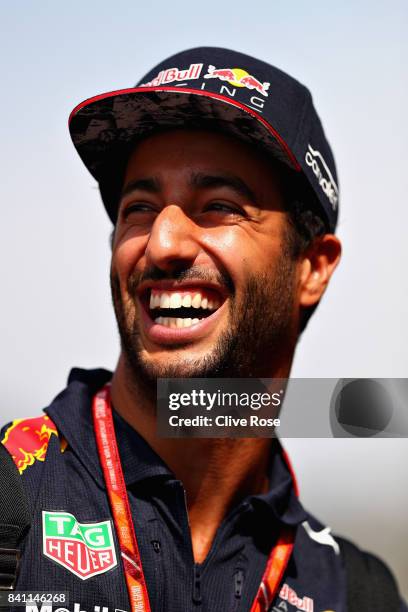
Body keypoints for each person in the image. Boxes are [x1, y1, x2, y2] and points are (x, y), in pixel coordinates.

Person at [0, 47, 405, 612]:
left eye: (219, 205)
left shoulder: (355, 594)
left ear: (311, 267)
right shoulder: (10, 493)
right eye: (139, 207)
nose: (163, 245)